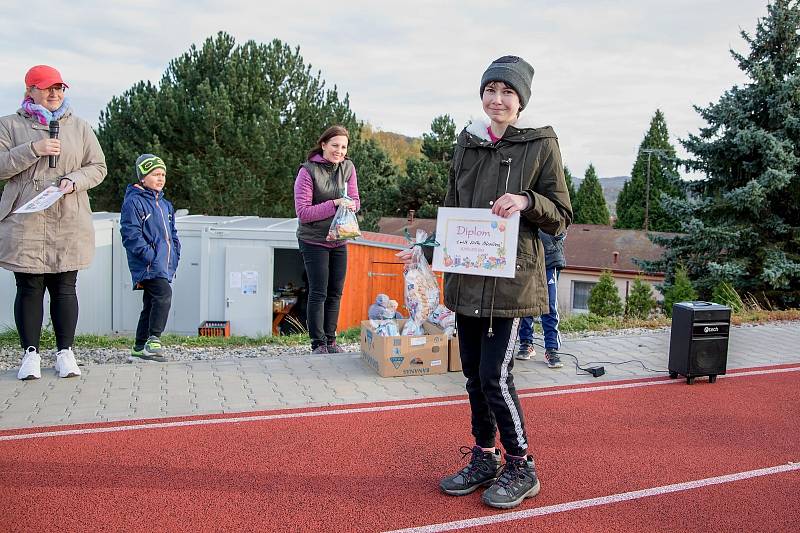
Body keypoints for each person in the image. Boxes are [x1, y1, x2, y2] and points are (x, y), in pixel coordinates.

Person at [399, 56, 572, 509]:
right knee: (474, 377)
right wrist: (425, 250)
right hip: (467, 278)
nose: (497, 100)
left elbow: (560, 215)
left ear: (521, 100)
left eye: (507, 92)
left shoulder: (541, 142)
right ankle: (484, 456)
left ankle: (521, 465)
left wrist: (525, 200)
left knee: (496, 375)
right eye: (490, 90)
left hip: (511, 280)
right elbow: (454, 208)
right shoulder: (468, 140)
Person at [0, 65, 107, 380]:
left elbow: (98, 166)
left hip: (67, 218)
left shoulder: (80, 127)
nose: (55, 94)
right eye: (47, 88)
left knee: (65, 287)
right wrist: (34, 149)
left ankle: (65, 353)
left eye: (59, 88)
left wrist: (74, 180)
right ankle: (30, 355)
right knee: (29, 287)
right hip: (26, 221)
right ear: (30, 90)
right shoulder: (9, 125)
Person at [294, 125, 360, 354]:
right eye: (335, 145)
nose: (339, 151)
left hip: (339, 239)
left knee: (335, 292)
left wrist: (351, 205)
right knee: (319, 291)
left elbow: (356, 201)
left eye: (343, 147)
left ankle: (331, 340)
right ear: (323, 144)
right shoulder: (307, 171)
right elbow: (303, 212)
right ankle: (318, 343)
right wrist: (334, 204)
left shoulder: (348, 167)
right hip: (313, 240)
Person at [120, 154, 181, 362]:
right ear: (142, 178)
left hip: (163, 264)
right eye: (155, 174)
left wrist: (175, 253)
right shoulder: (134, 202)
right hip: (148, 264)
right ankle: (154, 340)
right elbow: (130, 235)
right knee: (164, 295)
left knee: (151, 303)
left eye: (163, 174)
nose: (160, 178)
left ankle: (138, 347)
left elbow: (172, 234)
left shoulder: (165, 205)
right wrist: (150, 256)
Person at [516, 230, 567, 368]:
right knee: (526, 301)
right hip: (525, 255)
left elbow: (562, 221)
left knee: (550, 304)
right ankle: (526, 343)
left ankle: (552, 349)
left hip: (549, 257)